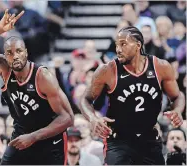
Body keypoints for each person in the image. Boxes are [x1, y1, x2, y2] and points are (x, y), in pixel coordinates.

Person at [0, 9, 74, 165]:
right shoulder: (4, 68)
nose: (15, 56)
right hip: (22, 133)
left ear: (25, 53)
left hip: (50, 138)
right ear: (5, 55)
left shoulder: (42, 77)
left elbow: (67, 118)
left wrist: (33, 137)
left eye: (18, 51)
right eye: (10, 53)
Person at [79, 26, 185, 165]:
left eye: (123, 44)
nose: (118, 49)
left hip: (149, 139)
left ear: (138, 45)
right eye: (117, 45)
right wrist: (93, 118)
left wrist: (178, 110)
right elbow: (85, 99)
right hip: (118, 141)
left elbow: (178, 96)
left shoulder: (160, 67)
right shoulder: (107, 70)